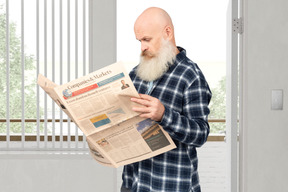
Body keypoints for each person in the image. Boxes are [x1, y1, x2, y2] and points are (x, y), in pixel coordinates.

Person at [121, 7, 212, 192]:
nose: (142, 47)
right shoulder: (136, 73)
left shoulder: (190, 75)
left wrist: (164, 115)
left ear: (167, 33)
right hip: (136, 183)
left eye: (146, 39)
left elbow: (201, 134)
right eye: (139, 41)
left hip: (173, 185)